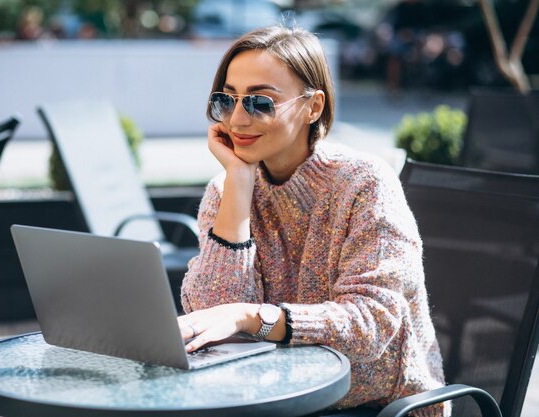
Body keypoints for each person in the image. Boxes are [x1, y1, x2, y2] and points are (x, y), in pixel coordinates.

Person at [177, 25, 448, 416]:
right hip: (271, 399)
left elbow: (369, 324)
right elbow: (212, 320)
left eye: (260, 102)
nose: (237, 119)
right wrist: (239, 182)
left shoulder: (364, 183)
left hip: (381, 406)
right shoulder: (225, 191)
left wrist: (253, 318)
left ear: (313, 107)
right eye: (227, 100)